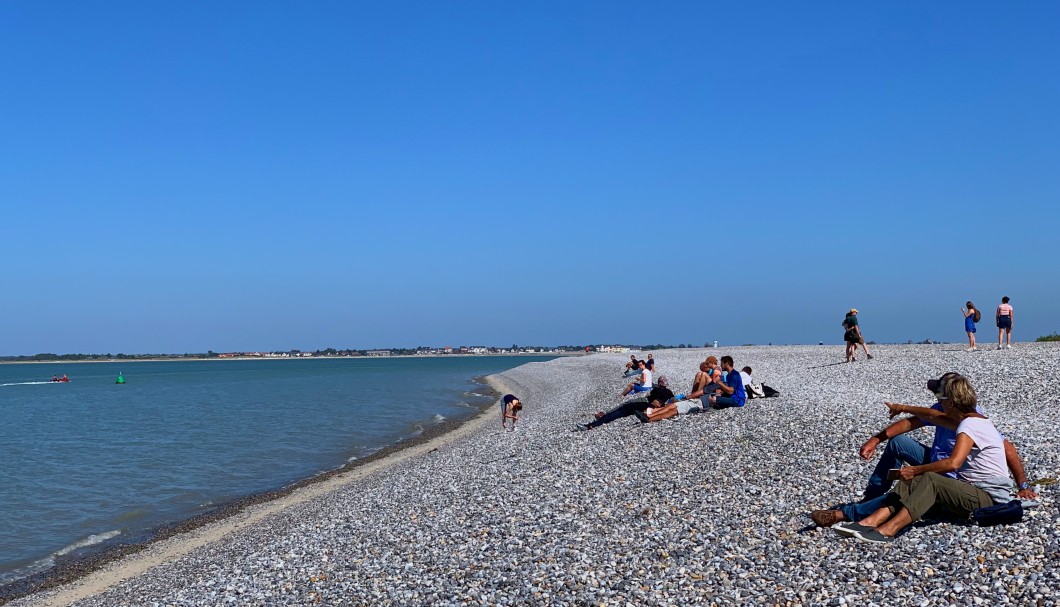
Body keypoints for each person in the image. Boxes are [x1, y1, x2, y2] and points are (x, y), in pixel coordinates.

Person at [810, 372, 1038, 528]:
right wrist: (875, 439)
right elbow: (912, 422)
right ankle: (870, 499)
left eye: (939, 394)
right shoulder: (942, 409)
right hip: (939, 459)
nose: (936, 398)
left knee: (911, 485)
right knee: (898, 444)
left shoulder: (969, 418)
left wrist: (1023, 485)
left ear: (951, 398)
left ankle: (850, 513)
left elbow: (1006, 447)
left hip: (952, 471)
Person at [575, 377, 676, 430]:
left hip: (644, 404)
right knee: (621, 409)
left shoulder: (657, 390)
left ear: (660, 383)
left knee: (621, 409)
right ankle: (598, 420)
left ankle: (593, 424)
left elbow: (651, 399)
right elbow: (672, 401)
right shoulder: (669, 392)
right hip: (648, 407)